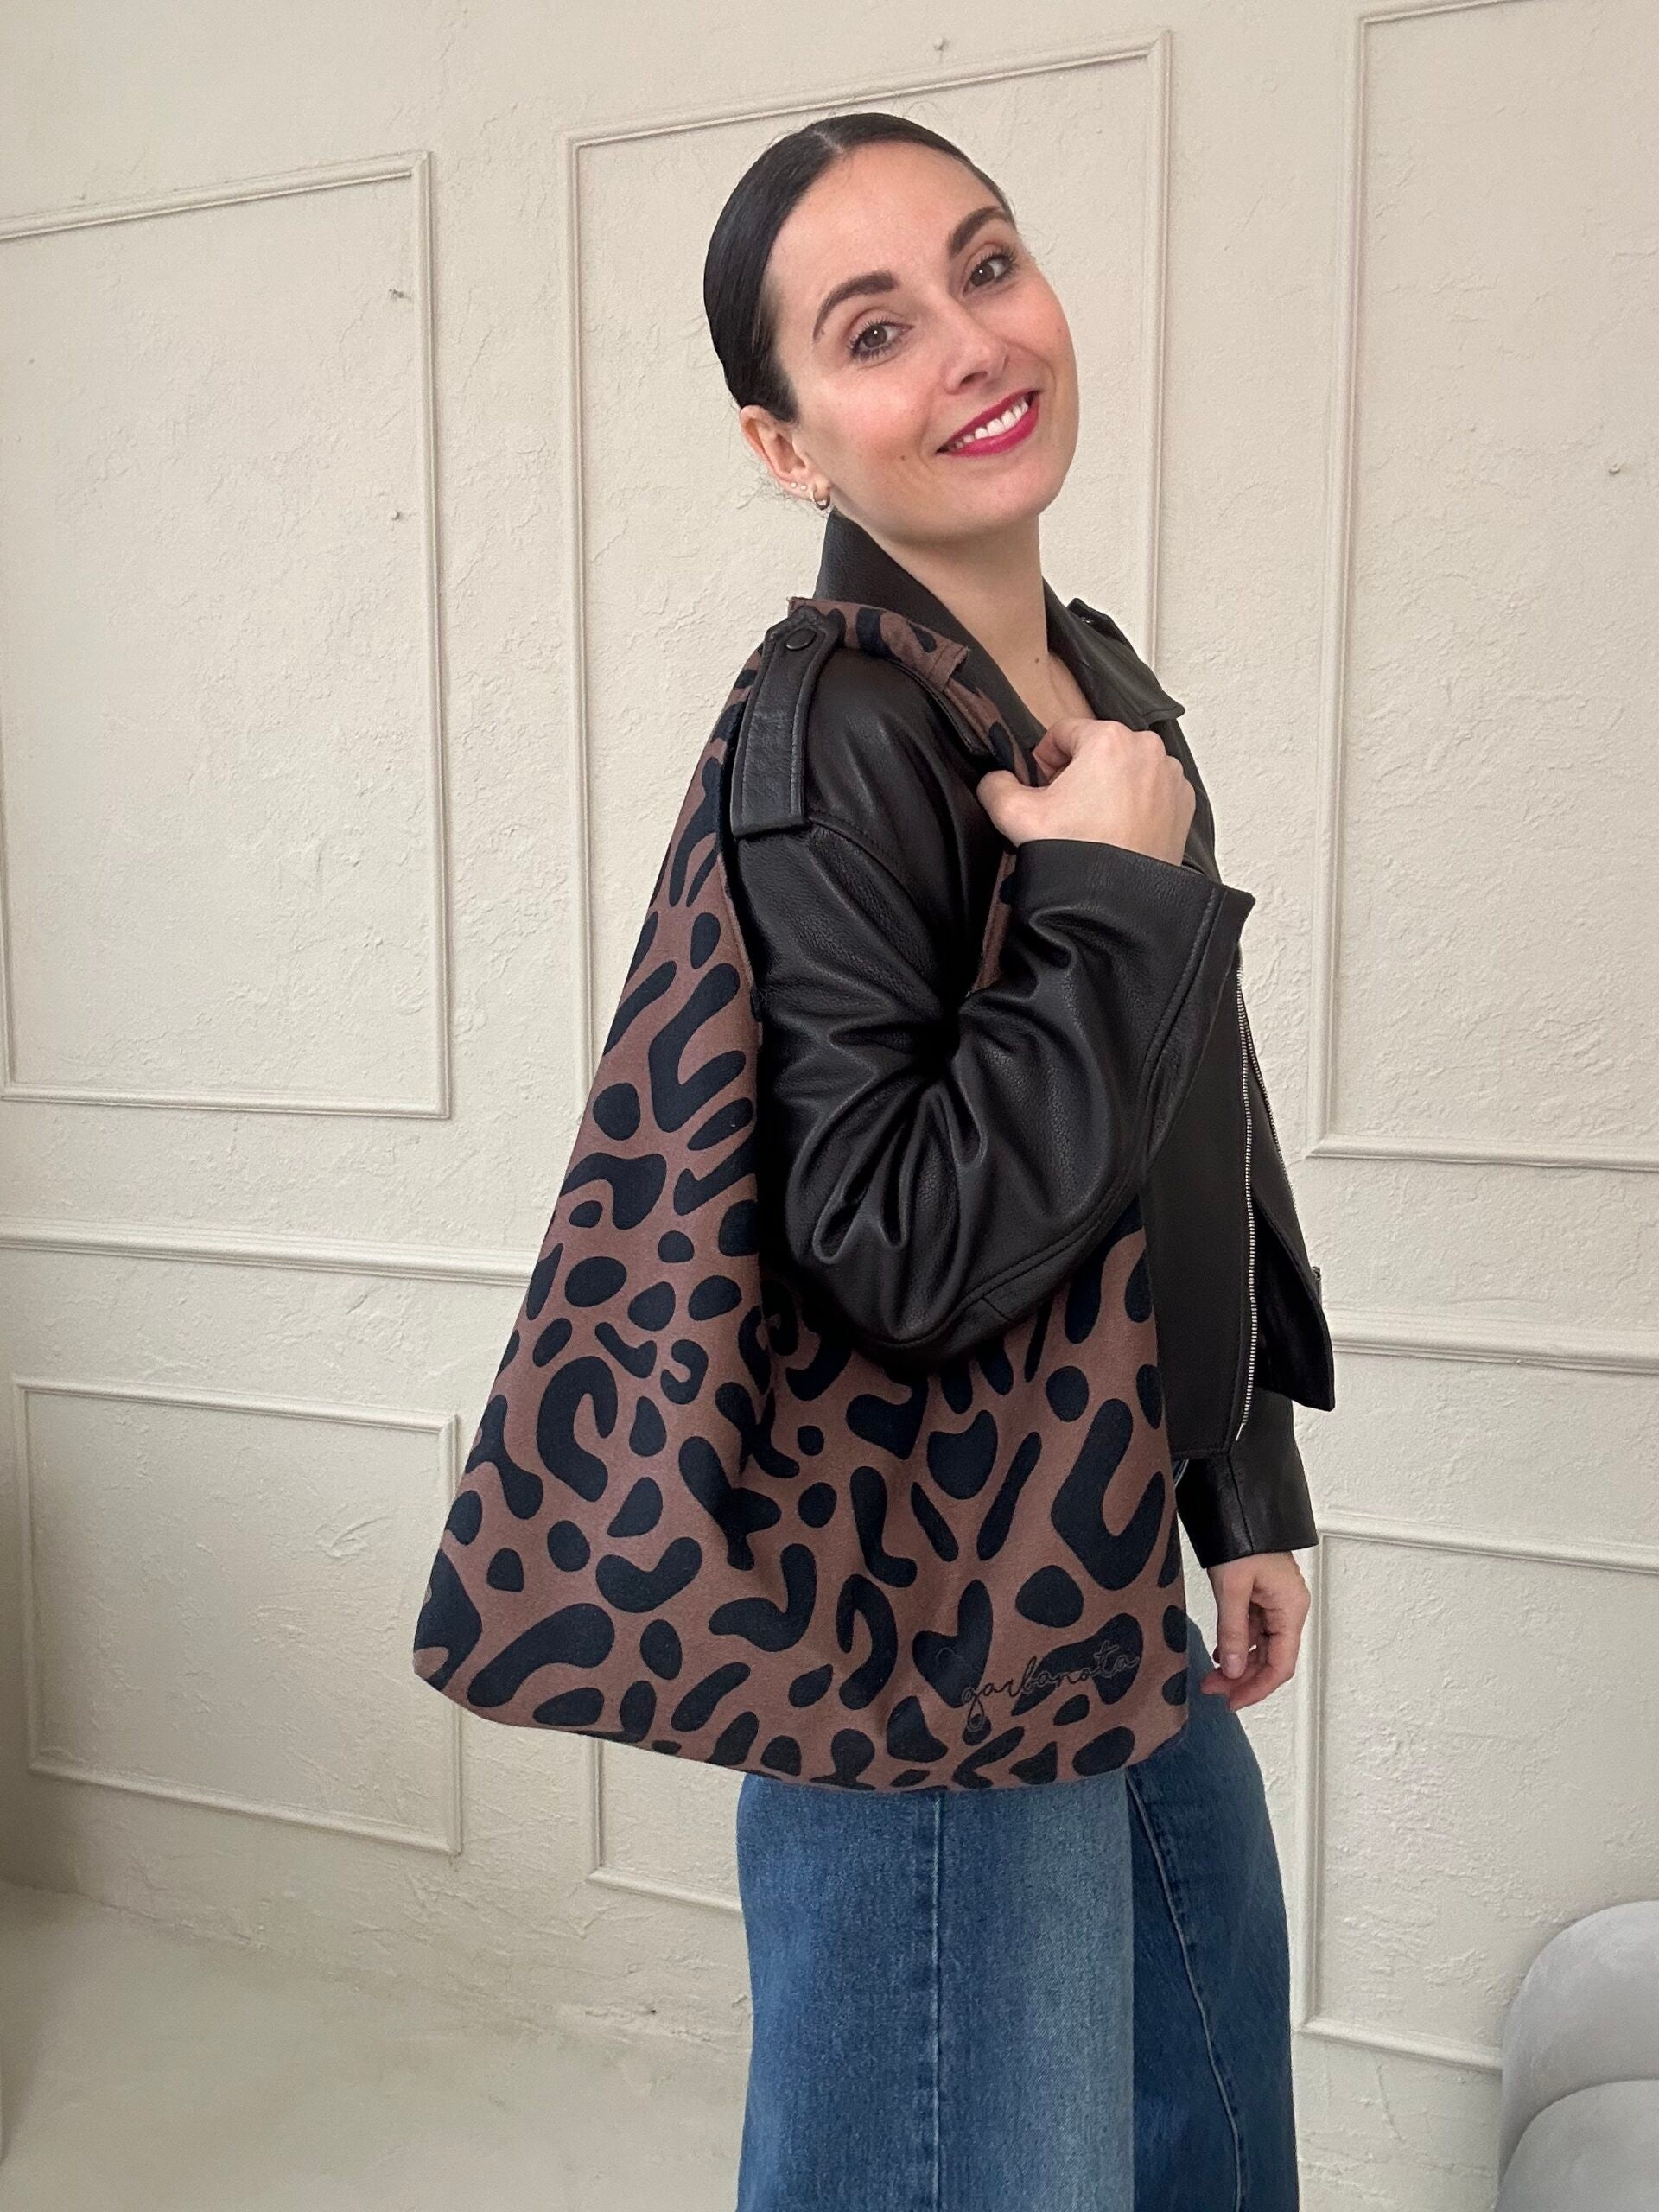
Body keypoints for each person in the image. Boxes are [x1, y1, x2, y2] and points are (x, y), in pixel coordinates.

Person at [701, 110, 1336, 2212]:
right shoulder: (835, 733)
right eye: (875, 328)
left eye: (989, 266)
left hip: (1092, 1569)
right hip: (916, 1636)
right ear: (790, 443)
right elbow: (890, 1253)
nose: (975, 342)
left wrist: (1237, 1482)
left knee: (1207, 2128)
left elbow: (1186, 1110)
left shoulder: (1101, 691)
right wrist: (1094, 906)